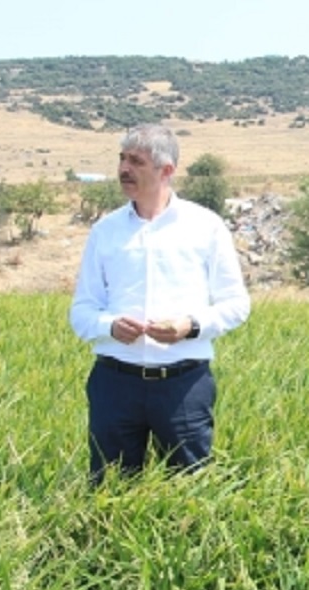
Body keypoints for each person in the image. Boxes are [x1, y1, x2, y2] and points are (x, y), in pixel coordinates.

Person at [69, 124, 252, 485]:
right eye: (122, 159)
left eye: (136, 161)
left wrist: (190, 326)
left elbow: (236, 304)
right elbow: (82, 310)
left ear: (166, 170)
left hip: (183, 386)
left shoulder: (206, 227)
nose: (124, 169)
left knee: (190, 493)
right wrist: (109, 326)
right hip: (114, 383)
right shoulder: (104, 231)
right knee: (109, 491)